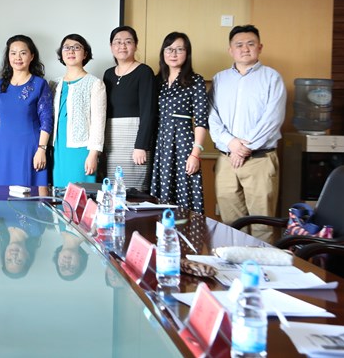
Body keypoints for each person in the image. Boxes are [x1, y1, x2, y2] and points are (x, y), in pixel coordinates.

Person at [209, 24, 286, 243]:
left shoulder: (272, 78)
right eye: (239, 45)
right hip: (226, 161)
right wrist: (231, 143)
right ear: (230, 50)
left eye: (250, 44)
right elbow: (212, 116)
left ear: (260, 47)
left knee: (263, 225)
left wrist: (244, 148)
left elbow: (272, 119)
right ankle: (235, 264)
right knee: (230, 224)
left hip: (260, 160)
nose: (245, 49)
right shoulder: (219, 79)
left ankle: (261, 265)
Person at [0, 35, 53, 197]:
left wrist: (41, 150)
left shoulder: (39, 84)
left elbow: (46, 120)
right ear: (8, 56)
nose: (18, 57)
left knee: (28, 198)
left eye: (23, 53)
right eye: (13, 53)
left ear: (32, 56)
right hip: (2, 149)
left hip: (29, 148)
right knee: (1, 198)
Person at [150, 32, 208, 213]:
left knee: (185, 196)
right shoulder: (157, 81)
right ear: (163, 53)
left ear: (187, 53)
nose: (173, 54)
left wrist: (195, 154)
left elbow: (201, 120)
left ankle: (188, 230)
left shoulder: (195, 81)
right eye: (169, 49)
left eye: (179, 49)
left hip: (184, 145)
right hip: (160, 144)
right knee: (161, 197)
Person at [102, 26, 157, 191]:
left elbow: (148, 112)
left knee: (133, 191)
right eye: (117, 42)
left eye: (128, 42)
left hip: (134, 140)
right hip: (112, 140)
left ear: (135, 45)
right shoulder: (108, 74)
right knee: (112, 189)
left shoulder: (144, 72)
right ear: (111, 46)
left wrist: (141, 146)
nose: (122, 46)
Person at [50, 34, 106, 188]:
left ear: (85, 53)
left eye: (76, 47)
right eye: (66, 48)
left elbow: (98, 122)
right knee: (59, 193)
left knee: (81, 194)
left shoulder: (95, 83)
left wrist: (93, 154)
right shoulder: (54, 84)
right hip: (58, 148)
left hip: (82, 149)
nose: (71, 51)